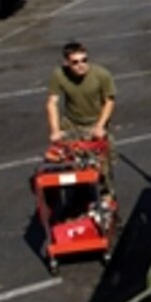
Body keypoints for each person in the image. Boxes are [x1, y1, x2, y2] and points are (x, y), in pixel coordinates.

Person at [46, 41, 117, 194]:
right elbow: (52, 103)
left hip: (95, 122)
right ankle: (77, 199)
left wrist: (100, 126)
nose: (81, 65)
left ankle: (107, 199)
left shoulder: (101, 75)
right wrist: (55, 130)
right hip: (72, 123)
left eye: (84, 60)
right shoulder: (59, 75)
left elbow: (109, 101)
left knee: (102, 168)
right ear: (67, 63)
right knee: (71, 164)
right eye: (75, 62)